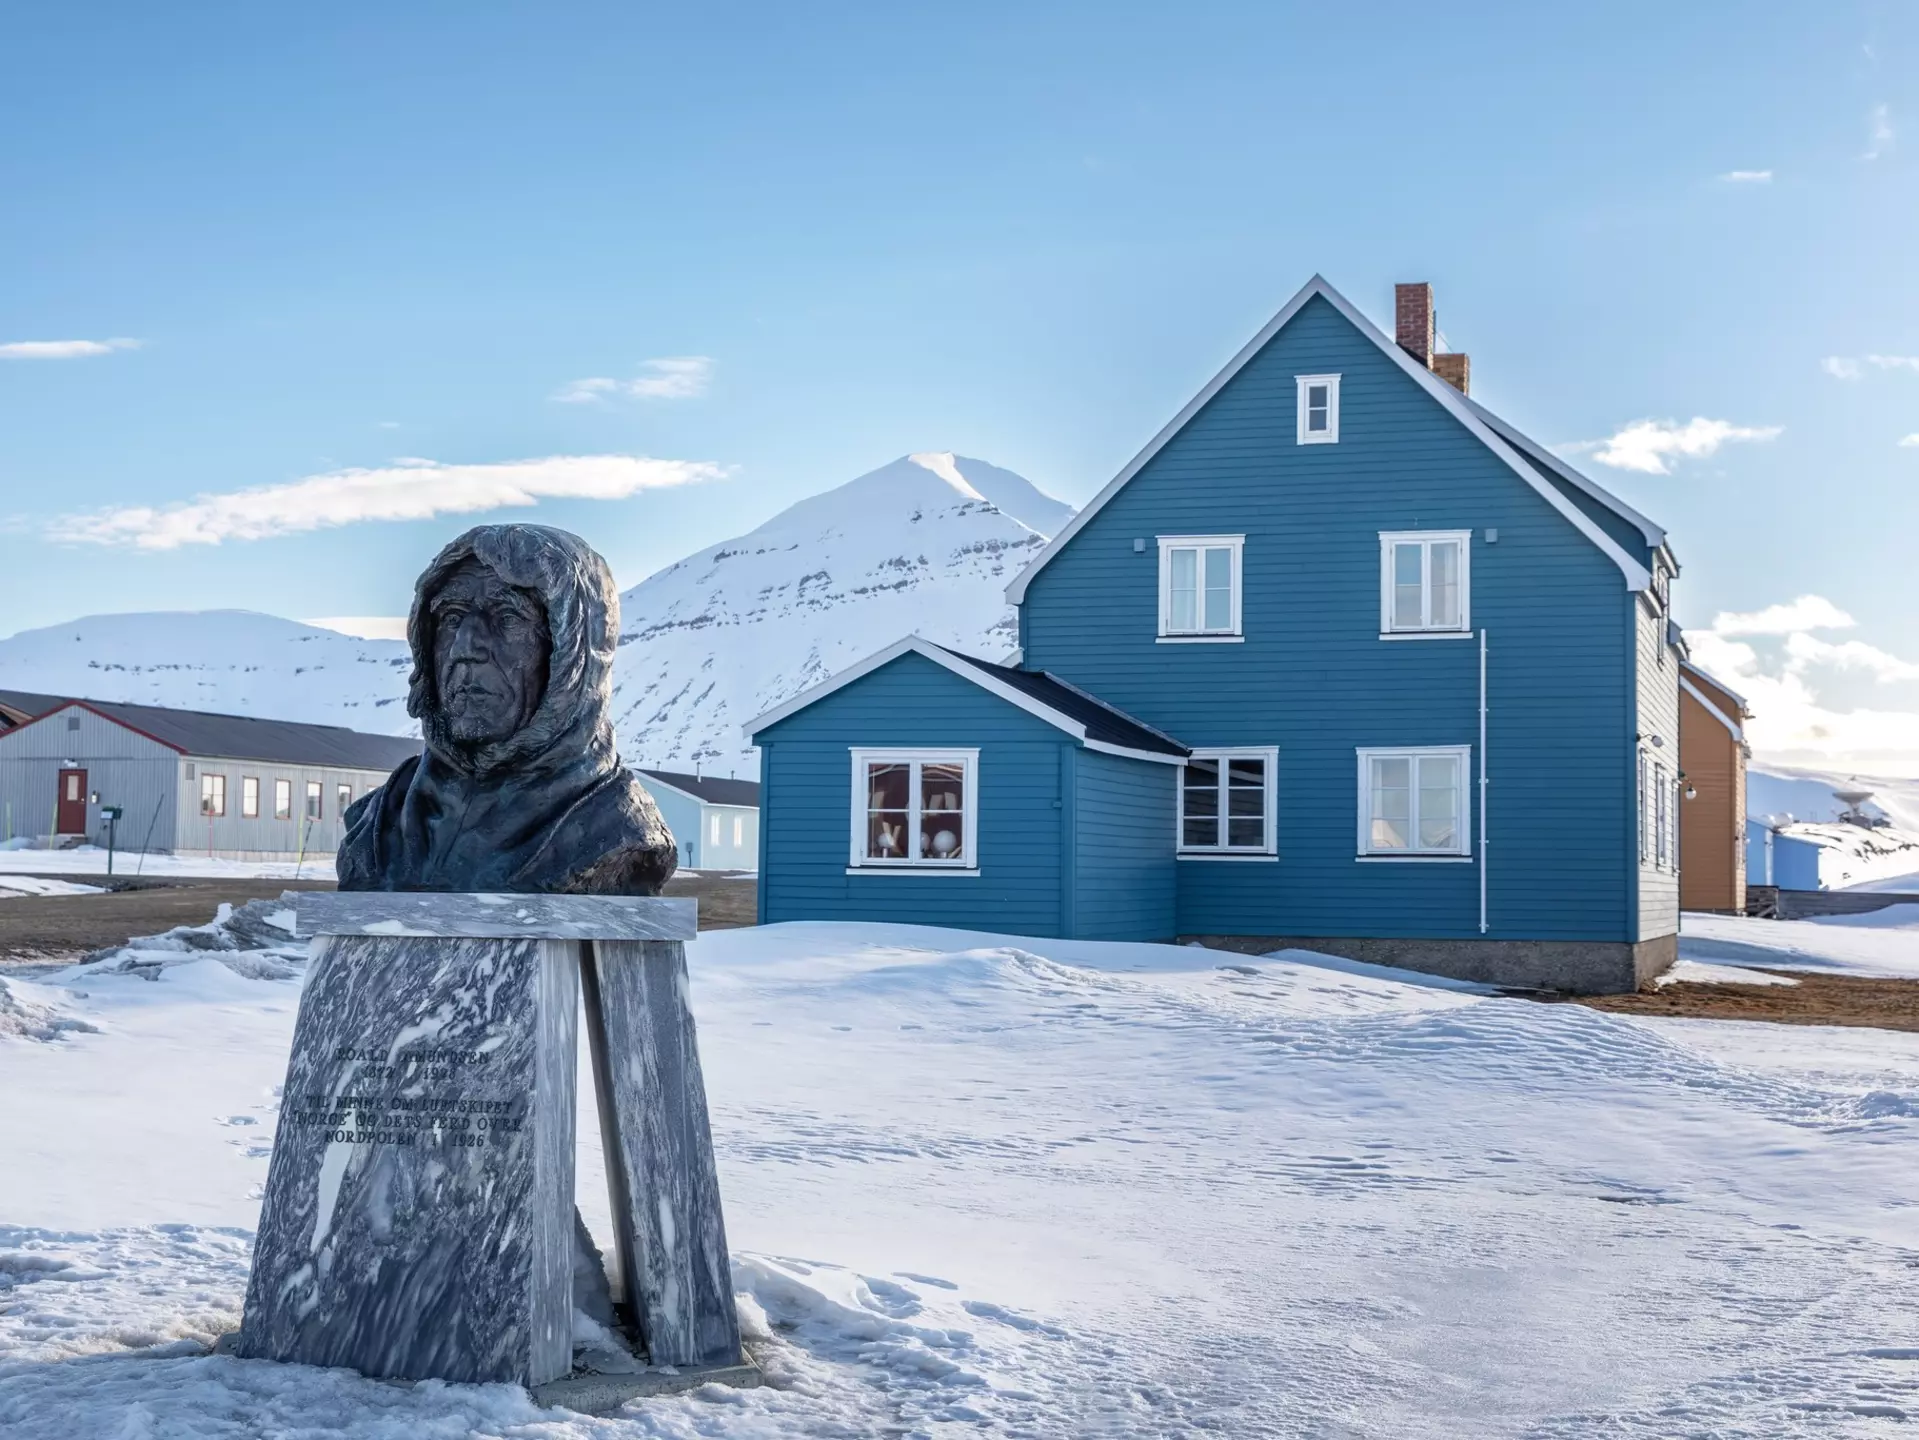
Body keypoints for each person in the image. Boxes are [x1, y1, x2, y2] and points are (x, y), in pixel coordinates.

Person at [337, 524, 677, 894]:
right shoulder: (377, 827)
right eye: (451, 618)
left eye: (508, 618)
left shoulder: (613, 830)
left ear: (573, 656)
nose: (465, 647)